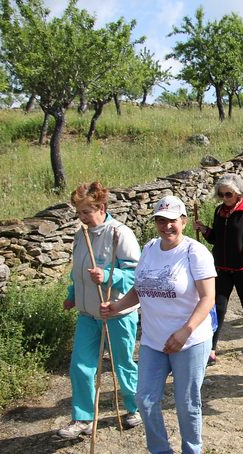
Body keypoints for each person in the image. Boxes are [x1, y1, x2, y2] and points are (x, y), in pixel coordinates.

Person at [101, 196, 215, 454]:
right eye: (161, 221)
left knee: (186, 403)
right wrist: (116, 306)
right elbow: (141, 288)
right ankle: (161, 450)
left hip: (190, 340)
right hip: (154, 340)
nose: (167, 227)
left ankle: (192, 450)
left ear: (183, 221)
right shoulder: (150, 247)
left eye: (172, 221)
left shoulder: (195, 252)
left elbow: (208, 298)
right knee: (146, 400)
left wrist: (185, 331)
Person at [58, 181, 141, 439]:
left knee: (122, 363)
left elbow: (136, 273)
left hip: (116, 312)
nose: (82, 217)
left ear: (101, 207)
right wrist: (73, 296)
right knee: (80, 365)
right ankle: (82, 418)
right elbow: (77, 273)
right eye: (79, 212)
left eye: (86, 212)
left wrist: (107, 275)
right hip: (87, 314)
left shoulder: (119, 234)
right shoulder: (80, 235)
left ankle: (134, 408)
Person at [194, 173, 243, 365]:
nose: (225, 198)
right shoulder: (219, 212)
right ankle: (211, 348)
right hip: (222, 268)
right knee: (217, 307)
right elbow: (216, 238)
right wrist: (205, 230)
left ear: (238, 193)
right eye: (221, 194)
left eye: (228, 194)